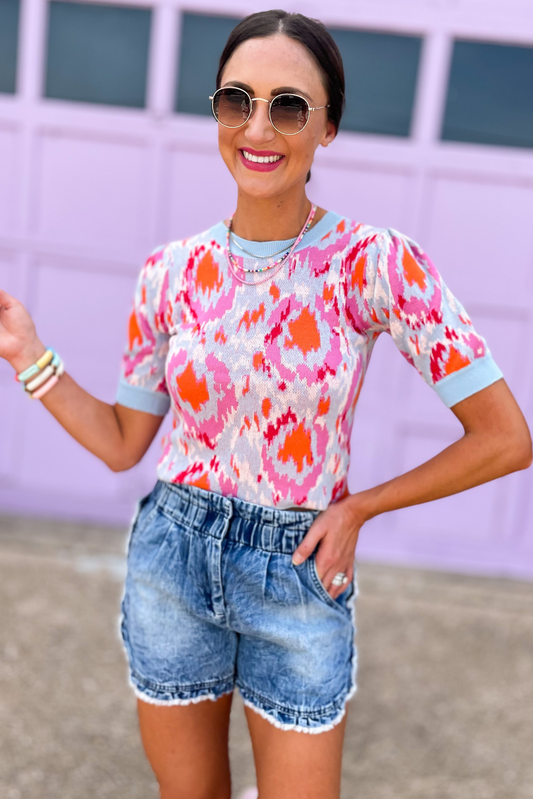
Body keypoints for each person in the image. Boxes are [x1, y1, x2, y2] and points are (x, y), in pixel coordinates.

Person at [0, 9, 531, 799]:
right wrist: (26, 353)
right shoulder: (169, 273)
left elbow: (503, 438)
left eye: (289, 105)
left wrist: (358, 510)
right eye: (235, 100)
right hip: (171, 560)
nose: (259, 126)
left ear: (328, 128)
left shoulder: (374, 263)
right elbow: (121, 443)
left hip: (296, 572)